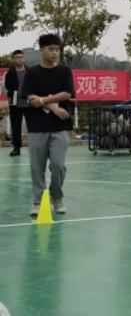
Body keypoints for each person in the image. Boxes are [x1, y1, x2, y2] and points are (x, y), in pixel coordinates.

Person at [21, 34, 75, 217]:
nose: (55, 53)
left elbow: (67, 93)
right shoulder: (32, 73)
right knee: (37, 167)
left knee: (58, 165)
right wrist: (52, 107)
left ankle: (56, 197)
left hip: (59, 126)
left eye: (57, 49)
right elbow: (31, 98)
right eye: (51, 49)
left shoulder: (65, 71)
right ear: (41, 50)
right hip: (36, 126)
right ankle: (38, 201)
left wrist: (44, 100)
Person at [1, 50, 29, 157]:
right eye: (17, 57)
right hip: (14, 104)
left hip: (30, 104)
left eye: (21, 57)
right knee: (16, 126)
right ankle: (16, 148)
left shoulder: (30, 72)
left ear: (24, 58)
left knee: (32, 126)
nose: (19, 59)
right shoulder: (8, 73)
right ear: (13, 59)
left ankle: (34, 147)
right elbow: (4, 88)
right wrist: (11, 96)